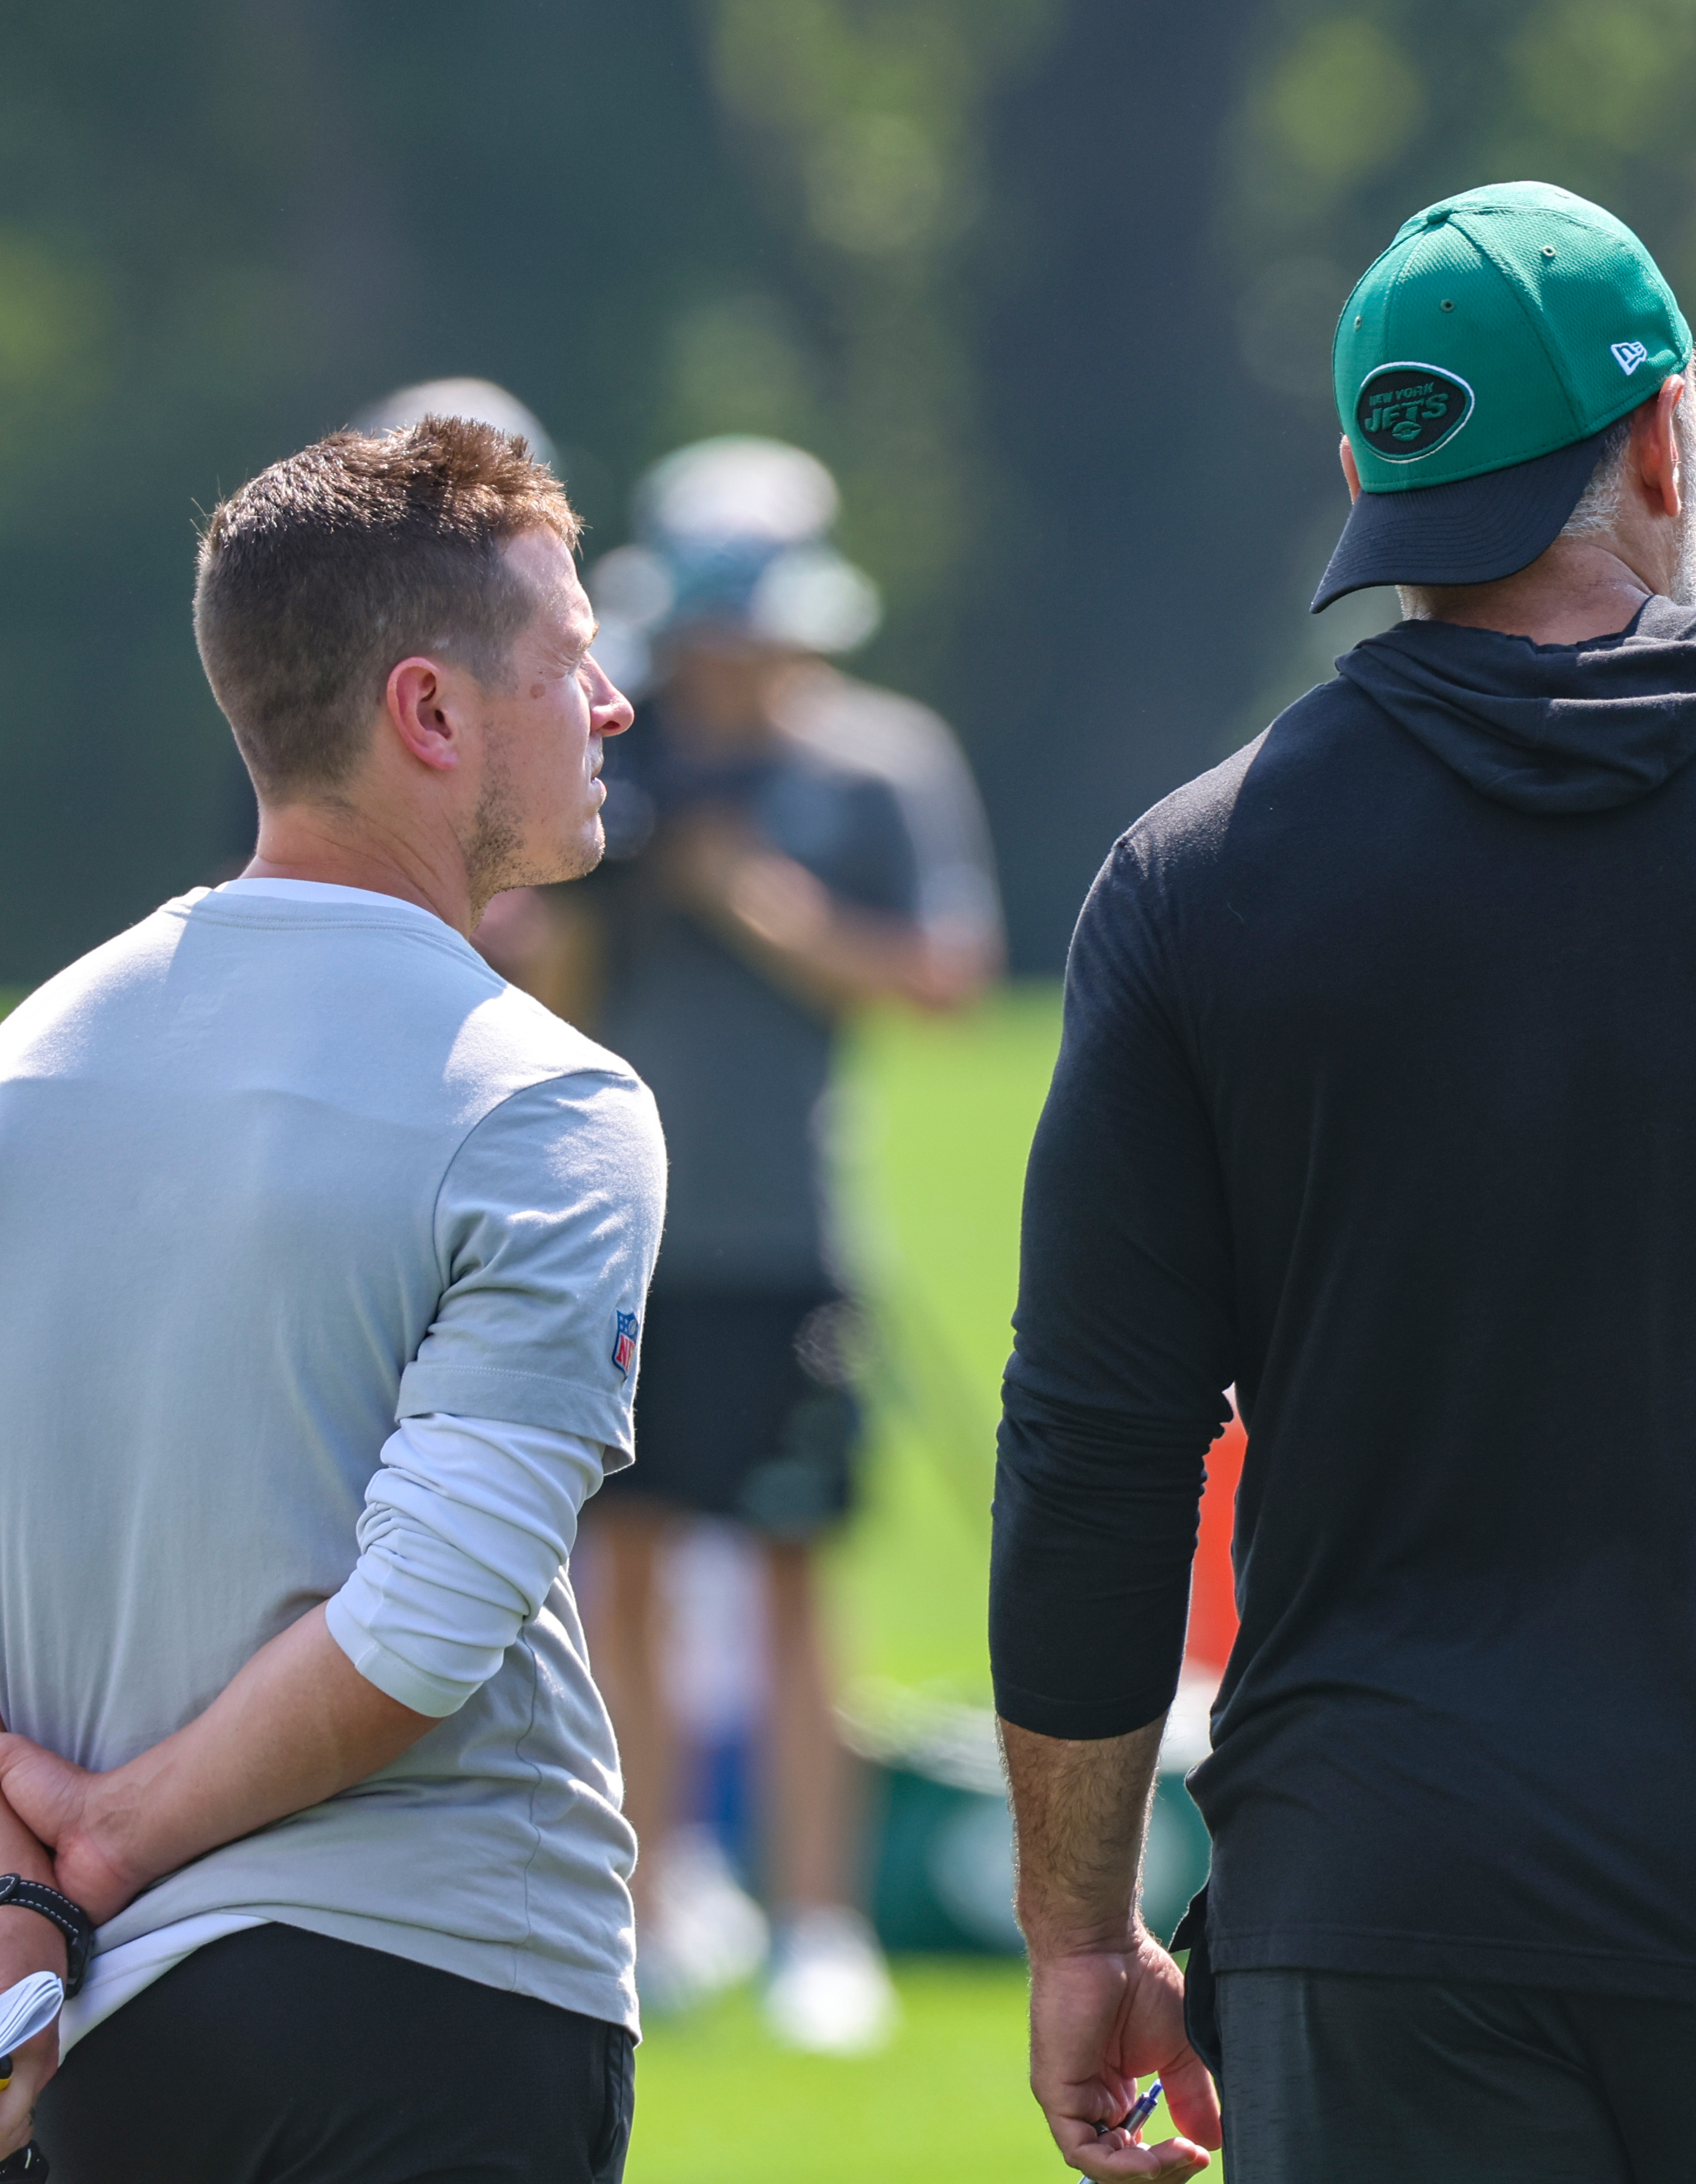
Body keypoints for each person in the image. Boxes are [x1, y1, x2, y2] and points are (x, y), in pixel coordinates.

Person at [992, 180, 1696, 2184]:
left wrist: (1082, 1931)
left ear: (1372, 473)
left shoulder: (1197, 878)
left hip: (1363, 1927)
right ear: (1664, 439)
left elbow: (1095, 1457)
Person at [0, 416, 656, 2178]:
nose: (613, 709)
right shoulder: (544, 1102)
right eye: (572, 663)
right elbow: (429, 1628)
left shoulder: (23, 1062)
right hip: (428, 1997)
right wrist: (114, 1840)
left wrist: (37, 1876)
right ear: (431, 716)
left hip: (69, 2033)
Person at [556, 436, 999, 2051]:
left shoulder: (878, 766)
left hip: (792, 1235)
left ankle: (818, 1923)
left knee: (805, 1576)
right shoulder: (609, 762)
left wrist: (758, 905)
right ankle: (657, 1898)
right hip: (623, 1242)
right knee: (635, 1573)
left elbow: (948, 981)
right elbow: (545, 994)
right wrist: (602, 895)